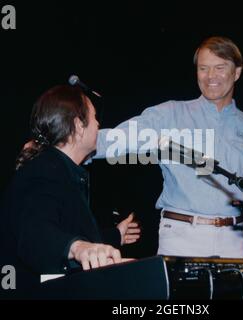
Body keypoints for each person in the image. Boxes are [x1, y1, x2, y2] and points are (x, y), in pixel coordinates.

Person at [94, 36, 243, 259]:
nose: (211, 76)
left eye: (220, 68)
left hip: (237, 240)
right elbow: (119, 139)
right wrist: (68, 145)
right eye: (203, 68)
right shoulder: (170, 114)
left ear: (237, 72)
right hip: (182, 237)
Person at [0, 85, 140, 298]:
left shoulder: (61, 172)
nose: (98, 124)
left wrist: (114, 236)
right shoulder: (44, 170)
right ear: (78, 125)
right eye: (94, 118)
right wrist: (78, 248)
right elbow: (35, 233)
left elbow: (65, 231)